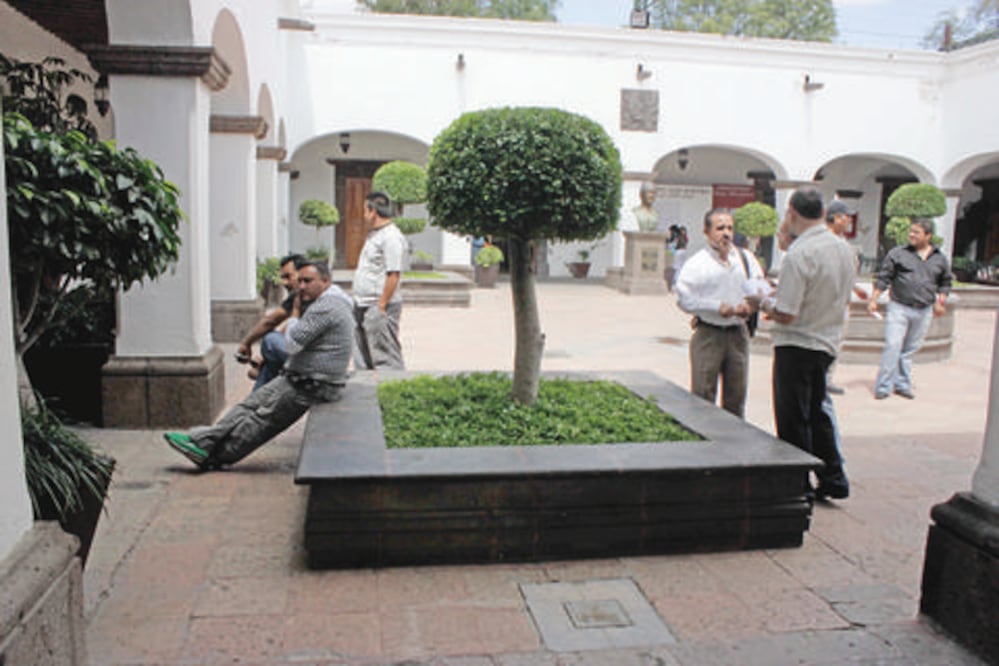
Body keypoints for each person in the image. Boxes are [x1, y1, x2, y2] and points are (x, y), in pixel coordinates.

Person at [163, 262, 354, 470]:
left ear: (325, 281)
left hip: (312, 385)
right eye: (299, 281)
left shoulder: (328, 306)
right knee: (250, 405)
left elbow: (291, 343)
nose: (301, 286)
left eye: (307, 281)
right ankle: (202, 440)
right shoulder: (325, 302)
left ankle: (214, 457)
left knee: (260, 421)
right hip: (298, 376)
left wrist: (296, 314)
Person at [758, 189, 856, 501]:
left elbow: (786, 312)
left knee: (793, 417)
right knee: (818, 412)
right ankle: (833, 476)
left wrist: (761, 302)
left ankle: (796, 482)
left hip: (797, 344)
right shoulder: (843, 249)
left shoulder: (801, 253)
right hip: (826, 341)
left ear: (792, 214)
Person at [675, 208, 764, 418]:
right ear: (706, 232)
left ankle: (733, 446)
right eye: (720, 228)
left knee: (736, 396)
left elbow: (760, 288)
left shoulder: (746, 259)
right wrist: (715, 307)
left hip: (737, 335)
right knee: (703, 395)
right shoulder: (697, 264)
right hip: (709, 334)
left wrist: (749, 305)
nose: (726, 233)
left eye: (730, 228)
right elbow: (684, 299)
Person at [869, 217, 952, 400]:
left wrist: (941, 301)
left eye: (916, 232)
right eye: (911, 231)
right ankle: (884, 386)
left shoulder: (939, 258)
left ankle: (902, 384)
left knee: (909, 349)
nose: (911, 235)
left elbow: (945, 283)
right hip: (899, 306)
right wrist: (874, 299)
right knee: (893, 344)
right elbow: (884, 277)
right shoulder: (898, 254)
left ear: (928, 236)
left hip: (924, 309)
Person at [236, 253, 308, 391]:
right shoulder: (306, 293)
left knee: (270, 340)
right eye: (282, 278)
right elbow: (291, 325)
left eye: (288, 277)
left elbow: (270, 321)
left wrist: (246, 343)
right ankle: (255, 402)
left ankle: (253, 405)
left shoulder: (303, 292)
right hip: (308, 355)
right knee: (271, 358)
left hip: (313, 360)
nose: (284, 283)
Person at [353, 191, 406, 370]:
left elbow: (393, 274)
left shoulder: (391, 237)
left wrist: (382, 304)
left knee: (385, 355)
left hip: (378, 303)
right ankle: (366, 391)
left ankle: (394, 388)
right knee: (363, 354)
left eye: (365, 210)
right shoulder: (375, 234)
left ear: (373, 211)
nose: (364, 215)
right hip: (363, 302)